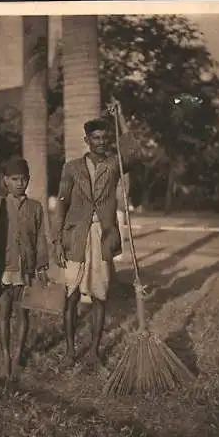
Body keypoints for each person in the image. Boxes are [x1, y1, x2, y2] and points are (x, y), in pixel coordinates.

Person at [52, 100, 143, 369]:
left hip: (103, 237)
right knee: (70, 295)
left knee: (100, 296)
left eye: (105, 137)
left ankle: (94, 352)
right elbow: (62, 203)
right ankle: (69, 352)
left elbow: (134, 153)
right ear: (86, 140)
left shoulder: (114, 164)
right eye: (96, 138)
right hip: (74, 238)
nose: (101, 142)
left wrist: (121, 117)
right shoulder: (71, 167)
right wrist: (57, 240)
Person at [0, 157, 50, 379]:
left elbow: (40, 239)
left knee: (23, 313)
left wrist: (42, 265)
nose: (20, 183)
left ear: (28, 180)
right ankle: (6, 356)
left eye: (23, 179)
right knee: (4, 313)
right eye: (14, 179)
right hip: (4, 268)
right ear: (5, 181)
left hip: (25, 268)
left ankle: (18, 355)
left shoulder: (35, 208)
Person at [114, 173, 130, 262]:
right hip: (111, 202)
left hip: (119, 203)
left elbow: (125, 188)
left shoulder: (124, 171)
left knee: (119, 228)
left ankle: (118, 253)